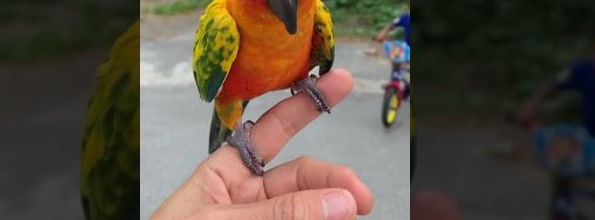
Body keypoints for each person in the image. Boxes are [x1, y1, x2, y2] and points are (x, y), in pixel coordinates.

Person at [151, 68, 458, 220]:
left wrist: (301, 80)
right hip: (236, 95)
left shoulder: (317, 18)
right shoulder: (224, 21)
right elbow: (216, 89)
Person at [514, 42, 595, 219]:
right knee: (562, 154)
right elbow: (553, 86)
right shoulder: (583, 69)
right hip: (589, 138)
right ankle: (562, 207)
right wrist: (531, 105)